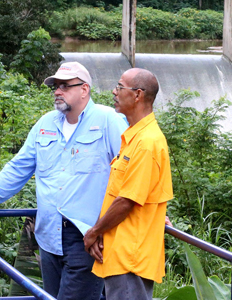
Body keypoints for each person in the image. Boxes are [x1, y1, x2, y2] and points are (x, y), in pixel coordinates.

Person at [0, 62, 128, 300]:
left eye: (65, 86)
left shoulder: (108, 120)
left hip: (88, 236)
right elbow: (18, 168)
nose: (58, 91)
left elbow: (130, 172)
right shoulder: (46, 124)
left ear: (84, 89)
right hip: (48, 237)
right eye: (56, 86)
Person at [84, 68, 173, 300]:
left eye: (120, 87)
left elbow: (127, 200)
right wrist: (102, 231)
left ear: (137, 95)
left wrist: (94, 231)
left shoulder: (147, 143)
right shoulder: (133, 137)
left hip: (131, 258)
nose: (114, 92)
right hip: (120, 252)